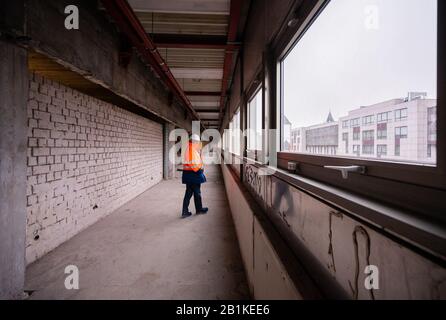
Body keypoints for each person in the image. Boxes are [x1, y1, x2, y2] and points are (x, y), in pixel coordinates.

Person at [181, 134, 209, 218]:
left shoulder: (192, 149)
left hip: (190, 174)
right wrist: (200, 170)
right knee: (196, 193)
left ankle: (186, 211)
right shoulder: (191, 150)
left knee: (189, 193)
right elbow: (193, 164)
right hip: (193, 174)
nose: (198, 143)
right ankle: (198, 209)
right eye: (197, 142)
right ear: (193, 141)